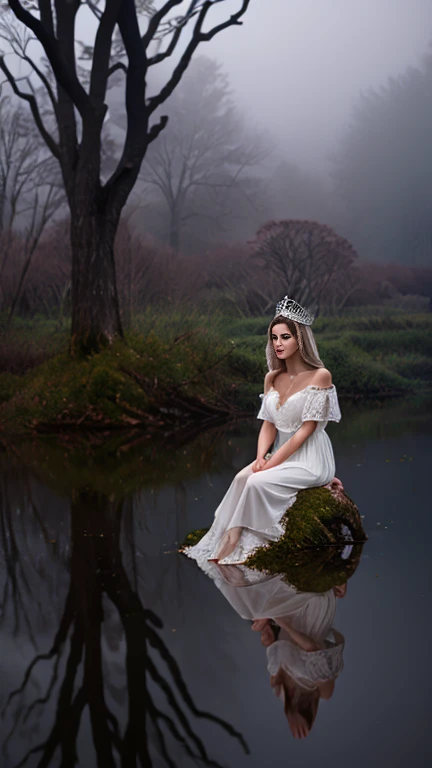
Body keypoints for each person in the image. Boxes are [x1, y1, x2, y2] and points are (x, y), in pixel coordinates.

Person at [184, 296, 343, 565]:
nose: (278, 344)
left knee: (257, 481)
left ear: (300, 340)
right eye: (273, 338)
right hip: (279, 452)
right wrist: (261, 457)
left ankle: (235, 539)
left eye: (285, 337)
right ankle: (225, 534)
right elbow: (268, 423)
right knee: (241, 478)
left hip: (310, 456)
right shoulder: (272, 377)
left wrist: (270, 464)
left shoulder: (321, 376)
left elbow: (306, 431)